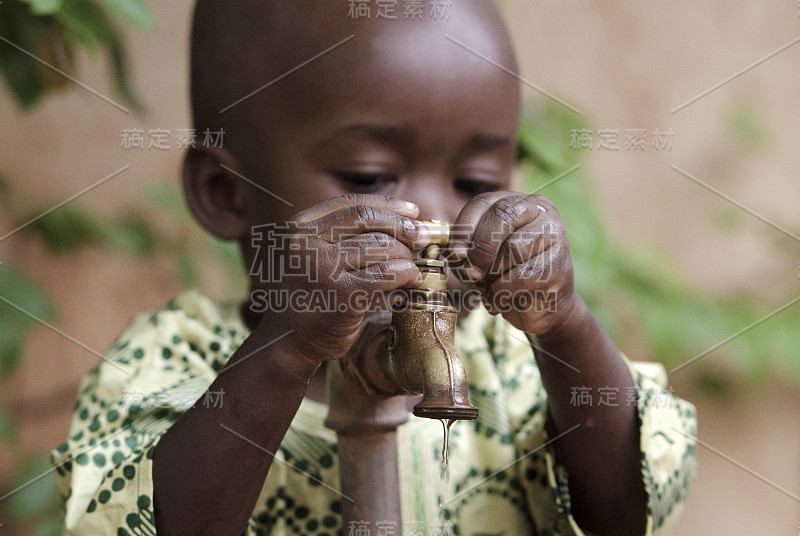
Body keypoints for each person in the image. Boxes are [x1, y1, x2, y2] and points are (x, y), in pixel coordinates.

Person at [51, 1, 696, 535]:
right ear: (225, 192)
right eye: (367, 177)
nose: (431, 223)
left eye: (474, 182)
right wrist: (286, 349)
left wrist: (565, 325)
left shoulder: (514, 365)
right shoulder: (170, 361)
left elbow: (628, 509)